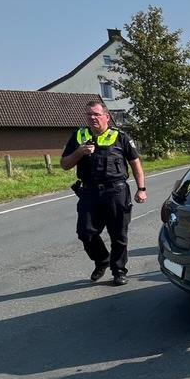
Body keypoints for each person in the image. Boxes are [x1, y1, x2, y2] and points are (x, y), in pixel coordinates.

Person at [60, 100, 147, 285]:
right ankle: (102, 260)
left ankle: (119, 270)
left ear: (106, 117)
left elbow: (135, 163)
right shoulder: (78, 136)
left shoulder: (120, 137)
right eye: (89, 114)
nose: (92, 118)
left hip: (116, 191)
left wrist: (141, 188)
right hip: (89, 192)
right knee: (85, 232)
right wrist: (79, 153)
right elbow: (64, 165)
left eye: (96, 114)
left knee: (118, 235)